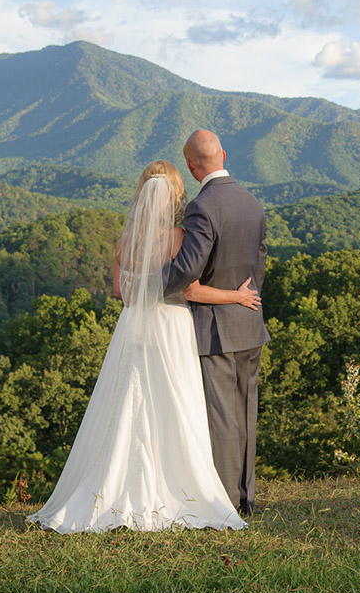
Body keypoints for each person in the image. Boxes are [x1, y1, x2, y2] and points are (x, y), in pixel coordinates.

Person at [28, 160, 257, 533]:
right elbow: (190, 288)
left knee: (127, 405)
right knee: (173, 405)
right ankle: (176, 487)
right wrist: (237, 296)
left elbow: (122, 293)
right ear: (175, 196)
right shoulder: (178, 238)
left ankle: (111, 488)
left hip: (133, 328)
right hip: (171, 327)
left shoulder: (126, 239)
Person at [164, 130, 270, 517]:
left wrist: (151, 286)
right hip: (249, 321)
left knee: (223, 419)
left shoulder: (201, 206)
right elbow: (257, 266)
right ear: (223, 155)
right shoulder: (252, 202)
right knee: (246, 414)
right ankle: (247, 499)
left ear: (192, 167)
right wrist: (245, 297)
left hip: (214, 327)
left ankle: (225, 505)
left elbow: (188, 268)